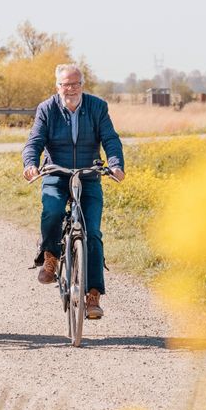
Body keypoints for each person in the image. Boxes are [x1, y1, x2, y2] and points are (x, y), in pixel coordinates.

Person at [22, 63, 125, 320]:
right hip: (57, 173)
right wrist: (31, 164)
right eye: (65, 84)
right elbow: (34, 140)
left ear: (82, 85)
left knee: (92, 233)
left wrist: (115, 164)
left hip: (89, 174)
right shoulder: (47, 109)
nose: (70, 89)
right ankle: (51, 255)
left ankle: (93, 295)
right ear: (57, 86)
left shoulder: (97, 107)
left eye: (75, 84)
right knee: (52, 211)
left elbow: (110, 138)